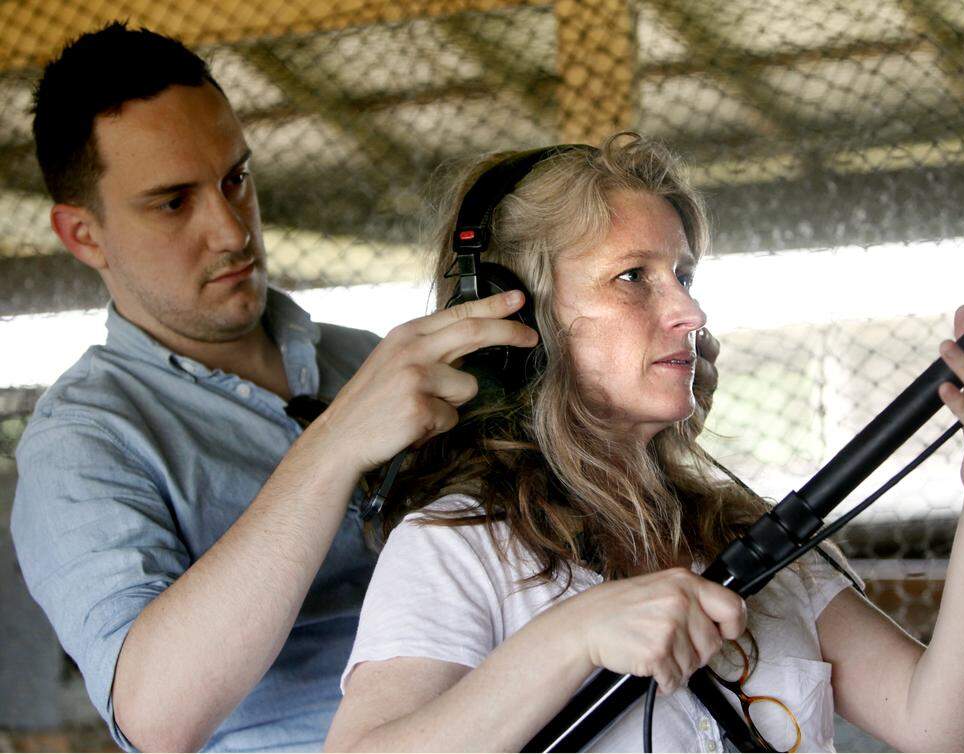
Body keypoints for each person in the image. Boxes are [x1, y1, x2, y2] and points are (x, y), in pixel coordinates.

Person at [325, 134, 964, 752]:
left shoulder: (743, 531)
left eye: (684, 275)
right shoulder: (456, 546)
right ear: (519, 323)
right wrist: (572, 636)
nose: (689, 310)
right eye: (633, 278)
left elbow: (941, 724)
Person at [7, 22, 623, 752]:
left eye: (236, 179)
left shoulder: (363, 361)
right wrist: (331, 448)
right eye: (173, 202)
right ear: (83, 234)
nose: (231, 229)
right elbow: (155, 718)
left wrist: (624, 410)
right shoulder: (82, 443)